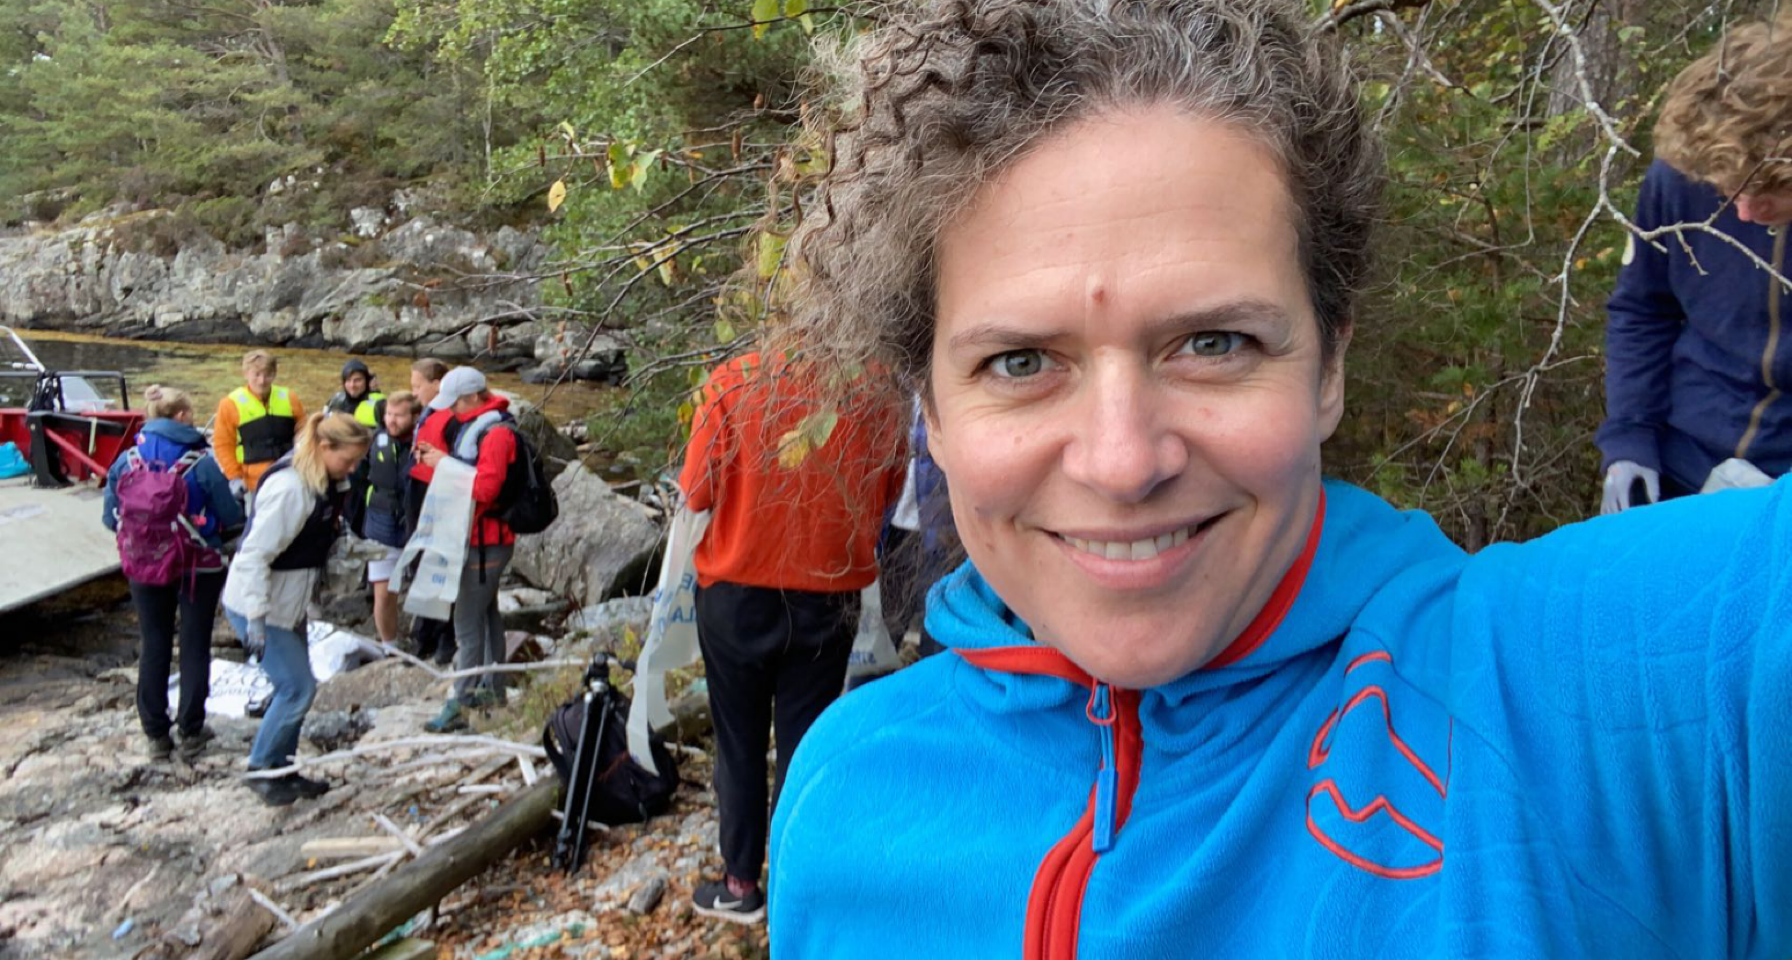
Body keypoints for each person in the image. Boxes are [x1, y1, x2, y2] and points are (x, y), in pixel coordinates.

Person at [764, 1, 1792, 957]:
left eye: (1213, 341)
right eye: (1021, 363)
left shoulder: (1597, 689)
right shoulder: (844, 797)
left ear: (1329, 365)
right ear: (930, 412)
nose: (1123, 463)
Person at [678, 352, 906, 923]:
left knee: (740, 742)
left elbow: (697, 491)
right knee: (806, 744)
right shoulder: (875, 386)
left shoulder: (732, 380)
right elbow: (891, 490)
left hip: (738, 593)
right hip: (829, 592)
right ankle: (793, 880)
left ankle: (739, 882)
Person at [1597, 12, 1792, 512]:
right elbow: (1643, 308)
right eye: (1727, 194)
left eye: (1768, 194)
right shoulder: (1684, 171)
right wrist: (1628, 441)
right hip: (1678, 463)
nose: (1745, 212)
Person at [222, 412, 372, 806]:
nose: (353, 468)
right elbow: (253, 555)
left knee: (295, 685)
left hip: (288, 605)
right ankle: (262, 769)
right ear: (325, 448)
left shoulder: (325, 483)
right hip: (261, 607)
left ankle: (283, 770)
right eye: (349, 460)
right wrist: (255, 618)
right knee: (297, 687)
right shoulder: (291, 490)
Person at [102, 385, 245, 762]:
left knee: (154, 643)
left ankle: (155, 734)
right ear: (181, 416)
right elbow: (231, 518)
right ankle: (191, 729)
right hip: (198, 564)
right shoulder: (201, 462)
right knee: (195, 644)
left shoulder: (127, 460)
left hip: (144, 564)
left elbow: (109, 518)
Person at [414, 367, 519, 733]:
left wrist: (443, 464)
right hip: (483, 540)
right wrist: (441, 460)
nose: (453, 411)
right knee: (487, 615)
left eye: (456, 403)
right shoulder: (483, 424)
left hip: (486, 542)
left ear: (474, 397)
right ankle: (493, 690)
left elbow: (486, 490)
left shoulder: (496, 434)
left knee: (467, 625)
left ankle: (460, 701)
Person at [405, 357, 456, 663]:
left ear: (437, 385)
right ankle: (424, 633)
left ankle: (443, 638)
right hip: (419, 489)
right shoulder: (429, 412)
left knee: (437, 565)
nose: (414, 393)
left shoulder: (451, 417)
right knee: (419, 563)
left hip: (438, 495)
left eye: (417, 386)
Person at [363, 391, 420, 647]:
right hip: (380, 524)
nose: (391, 420)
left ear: (415, 416)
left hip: (417, 524)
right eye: (388, 414)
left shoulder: (426, 442)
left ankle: (428, 638)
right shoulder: (375, 441)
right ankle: (390, 646)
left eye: (398, 415)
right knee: (384, 594)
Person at [213, 350, 305, 499]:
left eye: (267, 374)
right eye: (256, 374)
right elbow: (223, 444)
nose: (262, 381)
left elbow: (303, 431)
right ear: (246, 374)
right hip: (254, 482)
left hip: (290, 476)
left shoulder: (290, 397)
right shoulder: (230, 404)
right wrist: (235, 477)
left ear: (274, 374)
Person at [326, 359, 387, 428]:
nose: (352, 385)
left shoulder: (380, 404)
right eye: (348, 380)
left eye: (357, 380)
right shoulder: (335, 401)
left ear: (367, 382)